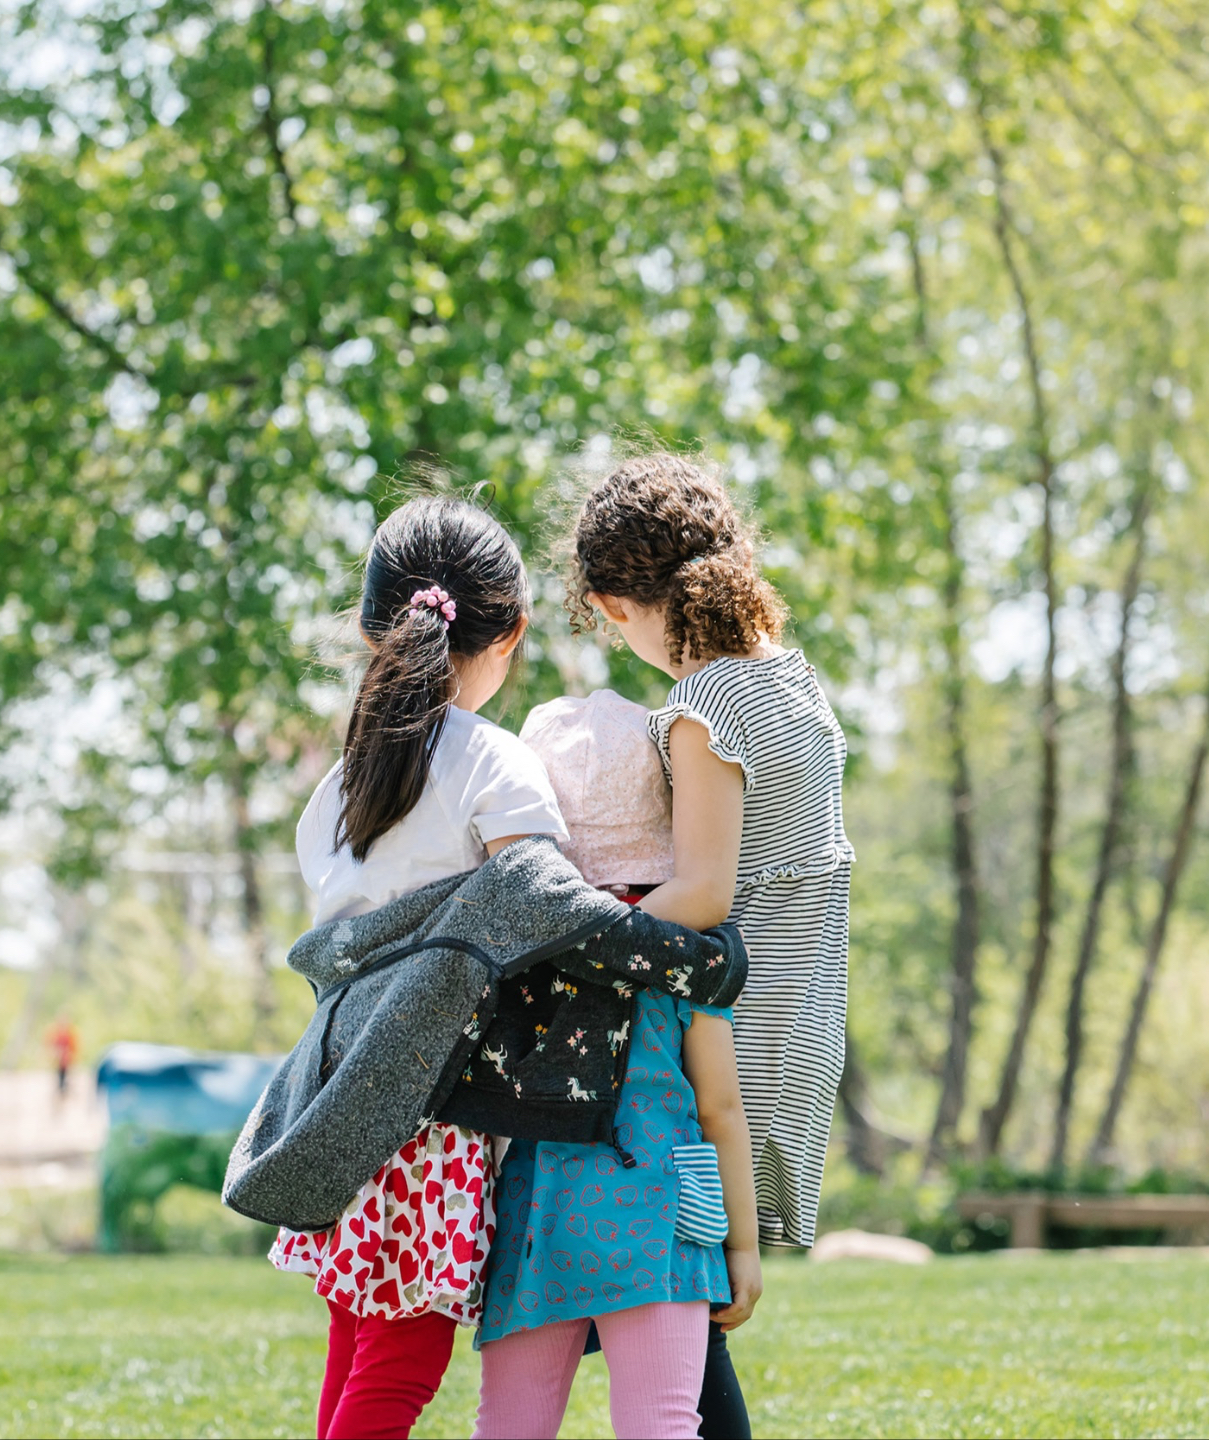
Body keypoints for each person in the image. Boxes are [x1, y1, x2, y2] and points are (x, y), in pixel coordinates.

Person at [561, 452, 853, 1435]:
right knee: (659, 1292)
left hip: (727, 1039)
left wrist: (567, 945)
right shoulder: (792, 678)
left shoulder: (703, 708)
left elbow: (700, 891)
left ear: (613, 605)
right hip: (799, 1023)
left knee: (665, 1286)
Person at [269, 496, 570, 1440]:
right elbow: (546, 913)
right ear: (510, 631)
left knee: (357, 1344)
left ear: (371, 631)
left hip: (337, 1088)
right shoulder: (497, 765)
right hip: (430, 1099)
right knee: (401, 1361)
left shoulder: (342, 782)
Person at [472, 689, 760, 1439]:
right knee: (661, 1426)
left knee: (507, 1427)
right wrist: (744, 1246)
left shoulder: (521, 959)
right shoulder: (689, 957)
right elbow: (720, 1108)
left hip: (538, 1217)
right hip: (663, 1215)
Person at [47, 1016, 79, 1100]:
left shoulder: (71, 1034)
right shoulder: (56, 1034)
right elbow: (51, 1046)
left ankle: (66, 1095)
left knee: (66, 1080)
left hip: (67, 1062)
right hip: (58, 1062)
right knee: (59, 1081)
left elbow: (74, 1049)